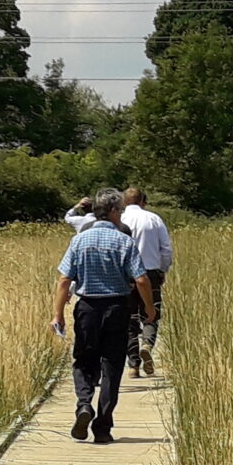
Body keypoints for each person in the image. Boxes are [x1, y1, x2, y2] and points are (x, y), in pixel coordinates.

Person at [53, 190, 158, 444]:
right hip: (117, 308)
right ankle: (103, 427)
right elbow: (142, 279)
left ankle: (84, 404)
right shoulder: (124, 241)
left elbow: (65, 279)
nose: (122, 215)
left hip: (87, 307)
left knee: (83, 360)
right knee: (111, 366)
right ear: (112, 212)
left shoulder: (79, 241)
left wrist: (58, 314)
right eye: (120, 211)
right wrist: (149, 309)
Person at [119, 187, 173, 376]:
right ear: (143, 200)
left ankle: (133, 364)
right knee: (151, 312)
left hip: (125, 275)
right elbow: (165, 248)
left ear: (124, 202)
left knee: (129, 318)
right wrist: (163, 270)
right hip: (150, 272)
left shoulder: (119, 219)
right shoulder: (153, 219)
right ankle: (147, 344)